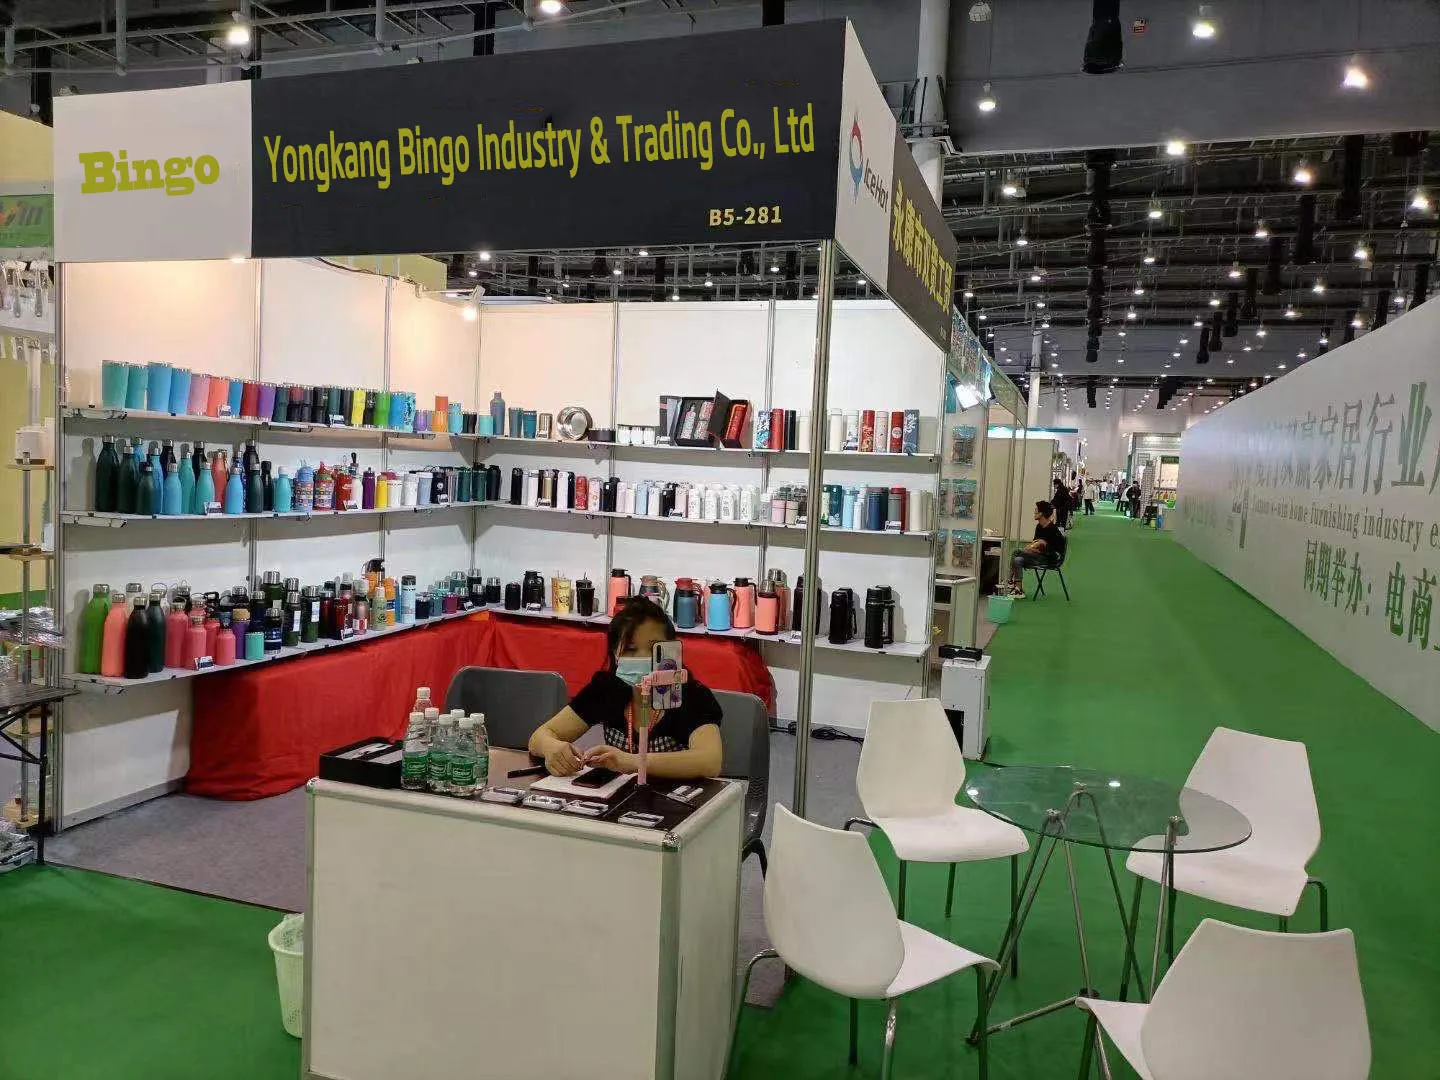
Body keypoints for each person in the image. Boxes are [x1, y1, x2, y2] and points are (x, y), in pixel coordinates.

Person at [528, 596, 723, 779]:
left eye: (654, 648)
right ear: (615, 654)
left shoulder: (692, 696)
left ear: (672, 650)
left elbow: (710, 761)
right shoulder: (606, 688)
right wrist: (552, 748)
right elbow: (539, 737)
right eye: (630, 649)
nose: (643, 657)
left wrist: (633, 762)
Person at [1008, 499, 1067, 591]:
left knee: (1017, 552)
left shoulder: (1052, 530)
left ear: (1041, 513)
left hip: (1051, 559)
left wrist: (1036, 547)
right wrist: (1033, 548)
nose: (1034, 513)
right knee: (1018, 560)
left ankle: (1009, 581)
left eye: (1036, 511)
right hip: (1040, 555)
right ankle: (1018, 589)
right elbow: (1035, 544)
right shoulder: (1039, 527)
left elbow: (1050, 552)